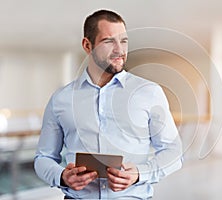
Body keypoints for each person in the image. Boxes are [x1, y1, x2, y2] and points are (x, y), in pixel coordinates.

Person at [34, 9, 182, 199]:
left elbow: (173, 152)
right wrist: (62, 176)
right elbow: (43, 158)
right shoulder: (61, 99)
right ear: (88, 45)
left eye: (124, 41)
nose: (120, 50)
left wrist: (139, 173)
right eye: (109, 41)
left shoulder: (149, 92)